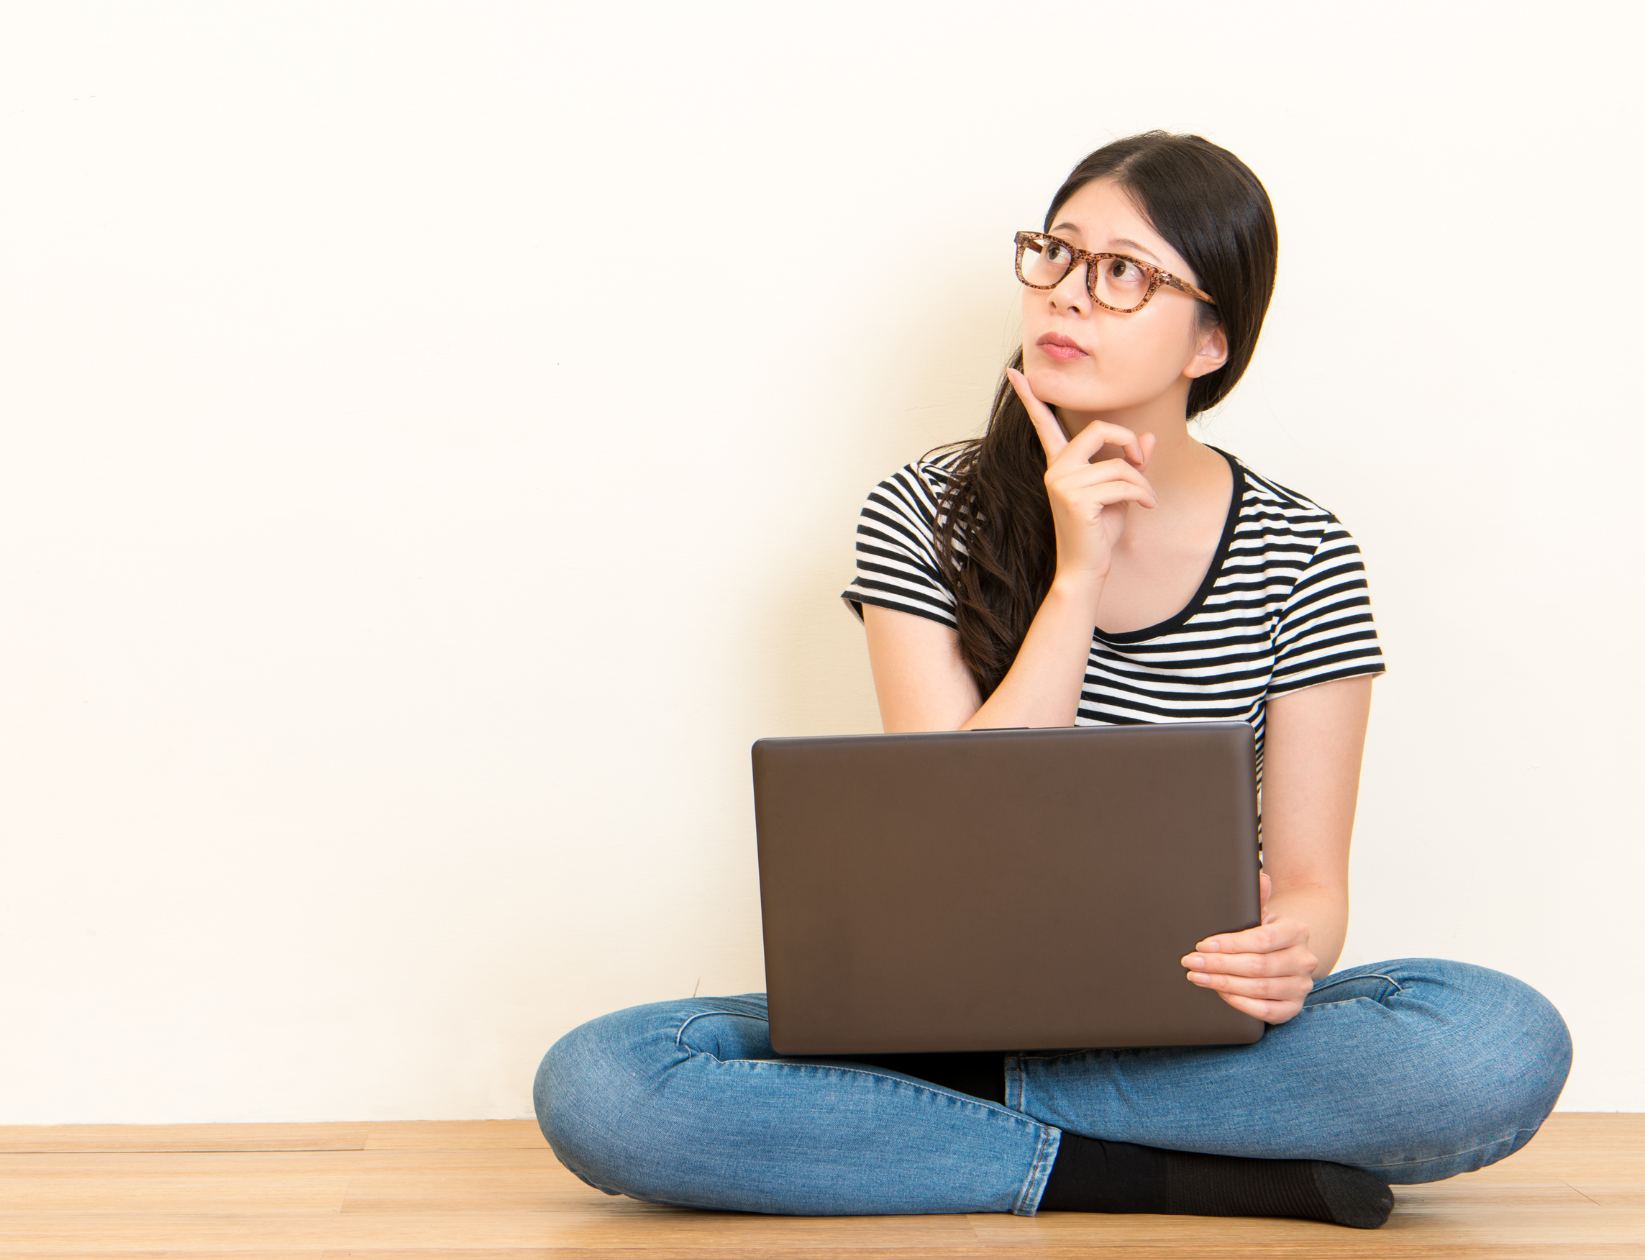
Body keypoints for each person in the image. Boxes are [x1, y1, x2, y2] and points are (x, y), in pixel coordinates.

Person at [531, 132, 1570, 1230]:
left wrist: (1289, 953)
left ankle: (943, 1128)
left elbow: (1311, 886)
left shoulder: (1299, 552)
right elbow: (943, 837)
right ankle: (1169, 1172)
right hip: (942, 1018)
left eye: (1122, 273)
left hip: (1187, 1019)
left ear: (1209, 341)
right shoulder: (922, 511)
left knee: (1493, 1040)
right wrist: (1074, 582)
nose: (1067, 296)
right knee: (606, 1084)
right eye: (1055, 255)